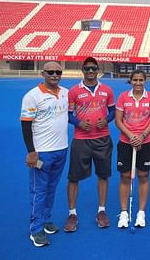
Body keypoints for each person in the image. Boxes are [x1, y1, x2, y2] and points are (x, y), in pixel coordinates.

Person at [63, 57, 115, 232]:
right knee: (73, 177)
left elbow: (113, 111)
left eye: (93, 69)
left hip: (102, 139)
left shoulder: (107, 90)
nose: (91, 72)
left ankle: (101, 211)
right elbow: (69, 115)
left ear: (98, 70)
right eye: (87, 69)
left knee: (103, 175)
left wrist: (106, 120)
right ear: (82, 70)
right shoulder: (74, 91)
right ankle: (72, 214)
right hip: (81, 139)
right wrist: (78, 123)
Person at [21, 61, 69, 247]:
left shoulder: (65, 93)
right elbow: (25, 125)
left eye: (58, 72)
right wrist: (31, 152)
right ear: (43, 73)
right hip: (42, 153)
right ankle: (36, 229)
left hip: (61, 149)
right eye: (51, 72)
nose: (55, 75)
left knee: (51, 188)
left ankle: (46, 219)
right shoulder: (32, 96)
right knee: (39, 192)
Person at [115, 70, 150, 229]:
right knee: (125, 176)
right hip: (126, 142)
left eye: (141, 80)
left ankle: (141, 212)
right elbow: (118, 121)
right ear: (131, 81)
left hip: (145, 142)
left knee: (143, 175)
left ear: (145, 81)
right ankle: (124, 212)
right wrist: (131, 136)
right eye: (135, 80)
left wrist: (142, 136)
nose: (138, 83)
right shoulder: (123, 97)